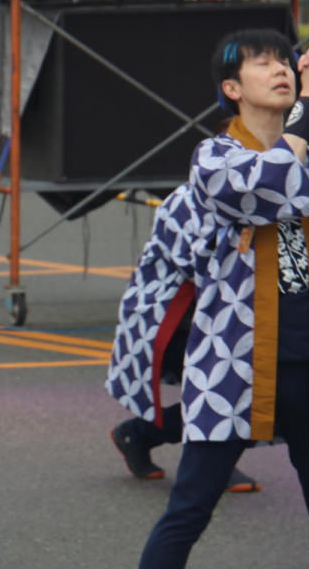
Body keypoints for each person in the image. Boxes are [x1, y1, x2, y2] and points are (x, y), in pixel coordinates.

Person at [138, 30, 309, 568]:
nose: (281, 70)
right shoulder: (214, 156)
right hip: (234, 362)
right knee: (190, 507)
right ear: (231, 87)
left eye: (286, 62)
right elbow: (267, 186)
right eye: (262, 64)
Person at [106, 183, 259, 492]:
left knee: (276, 394)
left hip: (241, 312)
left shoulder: (280, 190)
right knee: (229, 388)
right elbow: (199, 263)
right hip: (176, 315)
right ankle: (213, 462)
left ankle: (140, 434)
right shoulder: (188, 197)